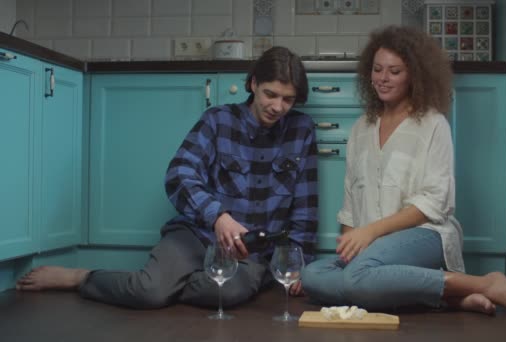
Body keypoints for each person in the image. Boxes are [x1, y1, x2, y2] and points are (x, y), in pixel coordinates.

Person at [16, 46, 319, 309]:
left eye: (287, 100)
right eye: (270, 94)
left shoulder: (301, 130)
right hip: (196, 234)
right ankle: (81, 277)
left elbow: (305, 209)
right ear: (254, 84)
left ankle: (170, 284)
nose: (277, 107)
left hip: (250, 252)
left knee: (231, 291)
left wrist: (298, 264)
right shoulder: (217, 120)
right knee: (148, 292)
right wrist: (218, 217)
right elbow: (179, 174)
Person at [300, 25, 506, 317]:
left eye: (394, 71)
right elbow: (351, 203)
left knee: (357, 278)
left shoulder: (432, 123)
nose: (383, 79)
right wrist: (351, 246)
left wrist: (370, 233)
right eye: (377, 69)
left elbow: (434, 201)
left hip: (425, 235)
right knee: (312, 275)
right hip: (371, 249)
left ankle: (485, 283)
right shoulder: (361, 128)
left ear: (414, 74)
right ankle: (451, 297)